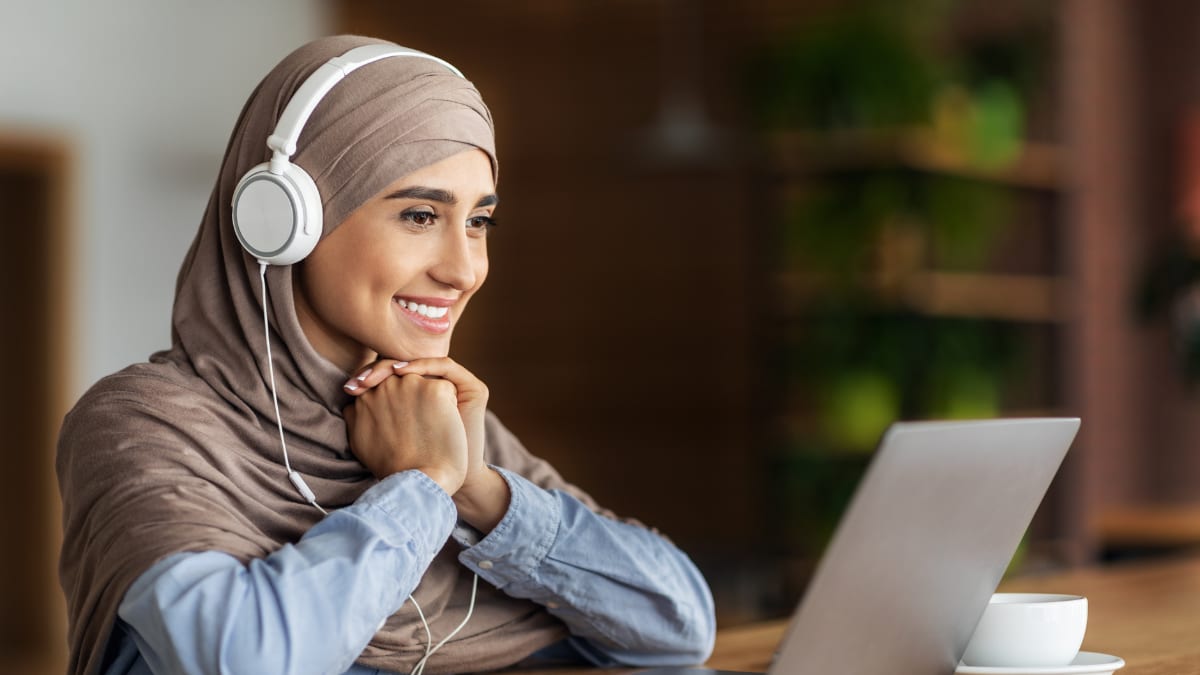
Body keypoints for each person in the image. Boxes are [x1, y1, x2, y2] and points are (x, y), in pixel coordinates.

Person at [56, 35, 715, 675]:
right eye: (421, 216)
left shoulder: (432, 412)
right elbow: (243, 657)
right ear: (286, 220)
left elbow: (680, 623)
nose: (465, 270)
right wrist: (423, 489)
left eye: (479, 221)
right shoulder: (143, 424)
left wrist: (481, 490)